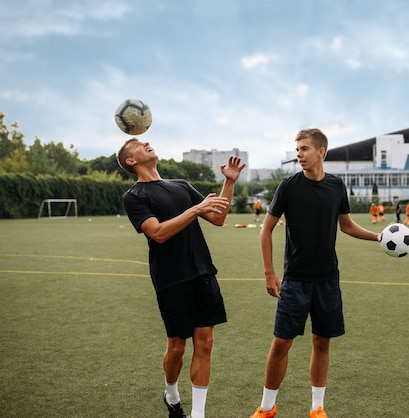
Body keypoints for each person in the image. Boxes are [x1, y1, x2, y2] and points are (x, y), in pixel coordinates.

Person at [250, 128, 381, 418]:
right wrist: (269, 273)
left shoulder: (336, 187)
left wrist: (378, 237)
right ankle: (267, 408)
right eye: (297, 149)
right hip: (295, 280)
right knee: (281, 343)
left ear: (321, 152)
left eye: (305, 149)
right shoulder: (288, 186)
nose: (299, 154)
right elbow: (266, 229)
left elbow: (346, 226)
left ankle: (317, 408)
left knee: (322, 342)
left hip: (327, 280)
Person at [117, 138, 245, 418]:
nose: (148, 143)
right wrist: (194, 210)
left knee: (205, 342)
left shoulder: (181, 185)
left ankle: (197, 415)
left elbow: (219, 217)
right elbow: (158, 233)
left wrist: (230, 182)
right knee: (177, 347)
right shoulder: (134, 196)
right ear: (131, 161)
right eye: (140, 144)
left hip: (203, 272)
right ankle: (171, 393)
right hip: (171, 278)